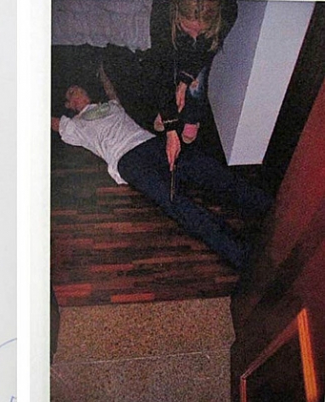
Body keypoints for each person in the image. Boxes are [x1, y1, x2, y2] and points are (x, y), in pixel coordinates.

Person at [51, 84, 273, 272]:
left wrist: (103, 75)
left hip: (152, 143)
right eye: (72, 92)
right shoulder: (75, 125)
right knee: (175, 201)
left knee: (207, 169)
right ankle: (242, 255)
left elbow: (111, 91)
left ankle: (271, 208)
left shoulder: (111, 105)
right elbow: (50, 121)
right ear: (69, 105)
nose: (78, 91)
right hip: (127, 159)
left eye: (79, 88)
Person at [150, 0, 238, 168]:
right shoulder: (163, 10)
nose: (194, 37)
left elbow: (205, 53)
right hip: (174, 34)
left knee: (197, 80)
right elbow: (162, 69)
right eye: (189, 29)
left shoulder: (228, 9)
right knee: (174, 66)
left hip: (208, 39)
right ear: (176, 14)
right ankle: (167, 111)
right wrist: (171, 129)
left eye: (201, 31)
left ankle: (192, 117)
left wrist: (185, 83)